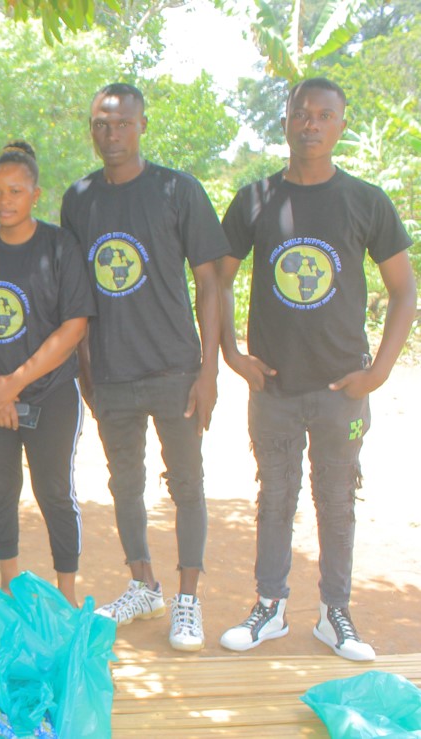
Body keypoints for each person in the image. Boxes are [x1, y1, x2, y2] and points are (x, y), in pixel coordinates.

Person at [217, 78, 416, 662]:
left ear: (341, 126)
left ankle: (335, 613)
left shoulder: (365, 201)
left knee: (336, 499)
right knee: (274, 497)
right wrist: (232, 353)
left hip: (341, 389)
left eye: (324, 115)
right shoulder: (255, 198)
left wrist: (378, 373)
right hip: (274, 388)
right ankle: (270, 607)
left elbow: (404, 292)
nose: (311, 124)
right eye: (301, 114)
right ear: (285, 121)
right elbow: (218, 280)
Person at [60, 83, 229, 651]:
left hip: (175, 370)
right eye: (101, 124)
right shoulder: (79, 199)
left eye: (122, 123)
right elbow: (76, 293)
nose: (111, 134)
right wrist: (86, 370)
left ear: (142, 126)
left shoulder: (177, 190)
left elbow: (210, 283)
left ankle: (187, 599)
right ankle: (143, 586)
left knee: (187, 483)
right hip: (111, 373)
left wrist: (208, 371)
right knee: (125, 484)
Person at [0, 142, 95, 604]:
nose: (3, 201)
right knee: (0, 491)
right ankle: (8, 583)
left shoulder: (60, 246)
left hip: (51, 393)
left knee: (55, 493)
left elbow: (74, 327)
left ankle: (66, 595)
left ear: (35, 195)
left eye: (15, 191)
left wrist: (16, 383)